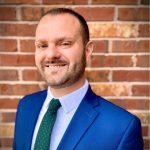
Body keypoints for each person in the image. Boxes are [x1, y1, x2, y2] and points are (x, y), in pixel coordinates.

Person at [13, 8, 143, 150]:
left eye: (64, 43)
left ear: (87, 51)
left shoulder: (122, 127)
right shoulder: (26, 106)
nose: (50, 55)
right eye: (42, 45)